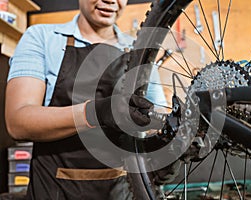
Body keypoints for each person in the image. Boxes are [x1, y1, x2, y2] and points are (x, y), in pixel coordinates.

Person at [5, 0, 169, 199]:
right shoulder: (43, 38)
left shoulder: (141, 52)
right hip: (55, 191)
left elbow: (155, 120)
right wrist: (96, 112)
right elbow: (18, 122)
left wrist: (168, 146)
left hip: (121, 192)